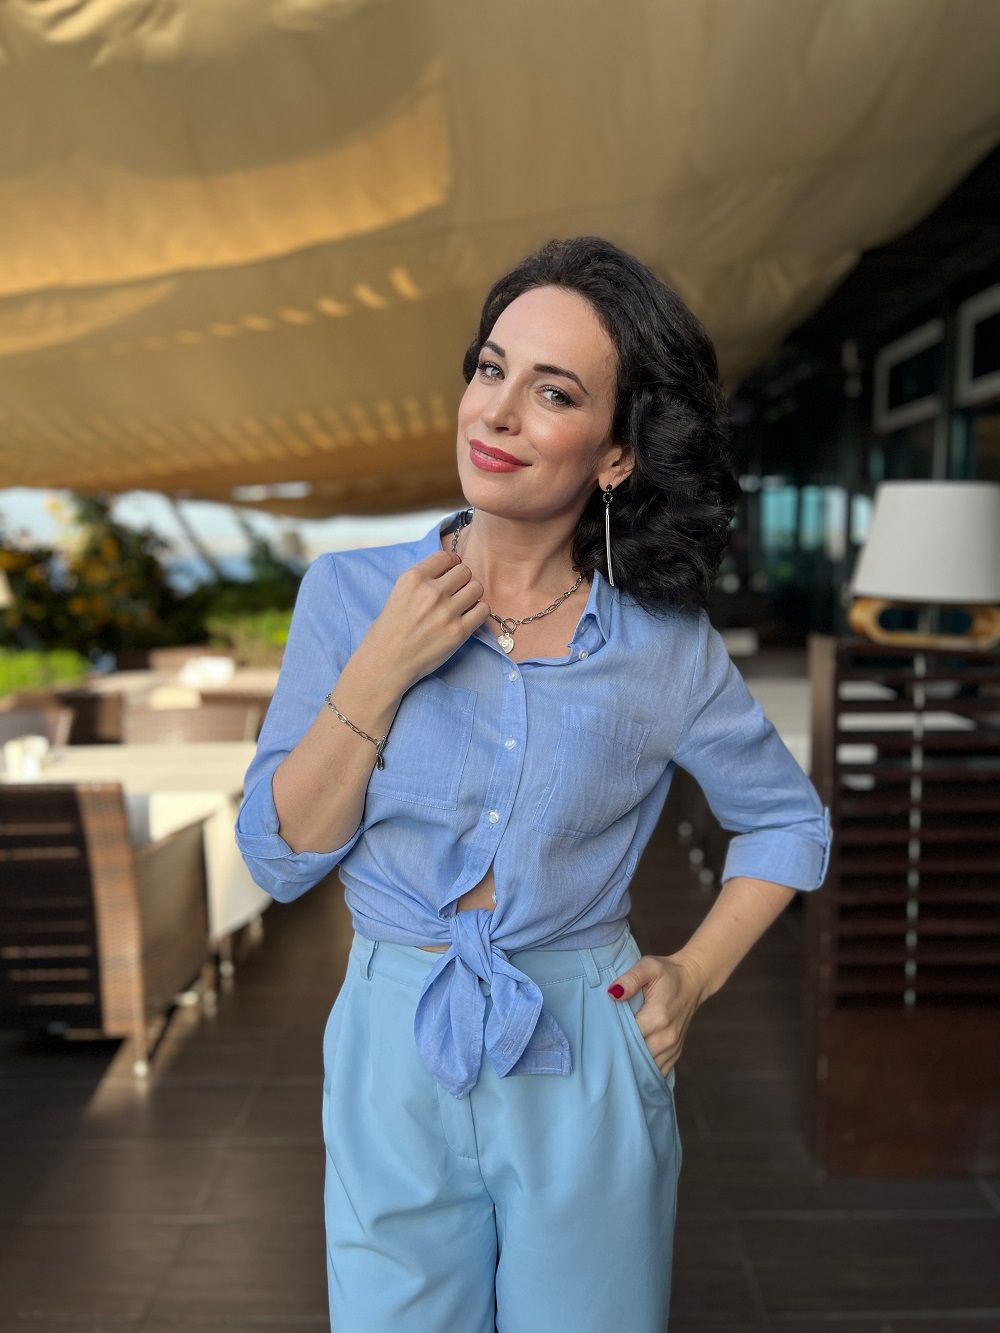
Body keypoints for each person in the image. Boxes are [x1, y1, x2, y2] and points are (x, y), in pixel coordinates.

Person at [234, 235, 833, 1332]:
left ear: (615, 457)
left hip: (586, 1042)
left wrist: (693, 976)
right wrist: (380, 668)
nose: (497, 412)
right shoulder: (348, 596)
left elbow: (787, 824)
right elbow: (277, 860)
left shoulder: (663, 647)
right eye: (489, 368)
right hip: (390, 1040)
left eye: (553, 392)